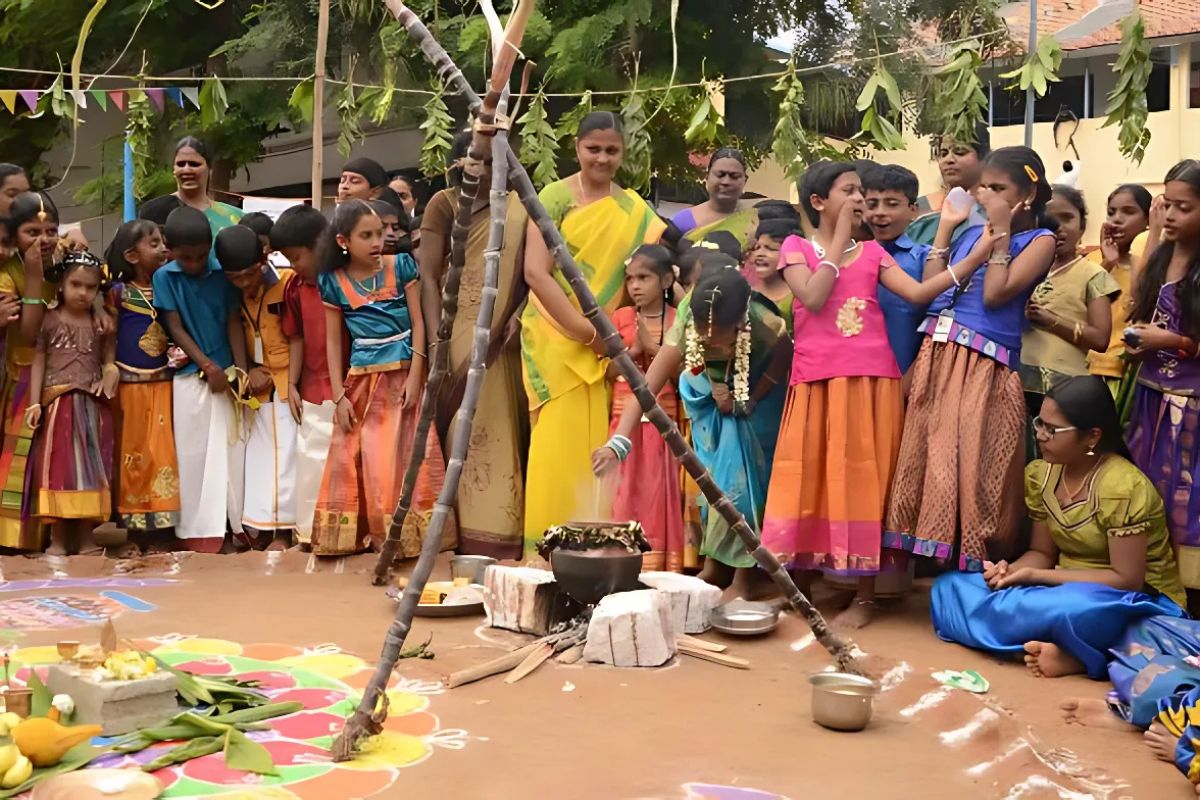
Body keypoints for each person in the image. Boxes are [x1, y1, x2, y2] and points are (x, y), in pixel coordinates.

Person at [762, 160, 993, 627]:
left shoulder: (873, 254)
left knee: (864, 484)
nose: (861, 200)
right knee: (806, 477)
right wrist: (837, 241)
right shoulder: (795, 247)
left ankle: (865, 597)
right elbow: (812, 297)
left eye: (860, 192)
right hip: (814, 382)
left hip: (872, 383)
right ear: (818, 201)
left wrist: (974, 258)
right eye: (850, 191)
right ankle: (798, 589)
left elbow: (919, 293)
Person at [931, 376, 1187, 679]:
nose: (1039, 435)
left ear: (1092, 436)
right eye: (1039, 423)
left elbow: (1128, 580)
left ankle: (1078, 652)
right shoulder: (1042, 475)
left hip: (1133, 601)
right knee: (950, 588)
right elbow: (1041, 551)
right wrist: (1010, 572)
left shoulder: (1124, 487)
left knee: (1074, 609)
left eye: (1051, 429)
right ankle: (1067, 645)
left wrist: (1036, 576)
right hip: (1059, 589)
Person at [885, 146, 1057, 571]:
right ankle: (927, 563)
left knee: (969, 466)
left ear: (1027, 196)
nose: (986, 196)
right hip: (938, 352)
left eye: (999, 189)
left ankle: (973, 566)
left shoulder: (1040, 240)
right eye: (984, 188)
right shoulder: (968, 235)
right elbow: (934, 289)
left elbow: (996, 294)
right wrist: (946, 229)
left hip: (982, 363)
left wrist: (997, 235)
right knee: (925, 458)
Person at [520, 111, 666, 556]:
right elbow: (536, 272)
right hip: (555, 333)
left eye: (612, 150)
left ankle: (592, 545)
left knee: (599, 442)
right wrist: (586, 331)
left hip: (611, 342)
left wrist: (611, 335)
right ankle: (545, 548)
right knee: (557, 443)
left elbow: (644, 274)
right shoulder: (554, 195)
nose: (602, 158)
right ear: (577, 148)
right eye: (593, 149)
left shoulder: (635, 209)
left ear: (623, 152)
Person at [595, 260, 790, 592]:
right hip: (710, 401)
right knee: (714, 481)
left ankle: (745, 577)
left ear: (740, 324)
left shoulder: (764, 321)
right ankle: (716, 568)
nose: (707, 339)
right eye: (702, 334)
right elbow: (647, 387)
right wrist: (618, 443)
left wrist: (751, 399)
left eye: (718, 336)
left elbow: (785, 357)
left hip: (759, 395)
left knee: (746, 484)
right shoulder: (689, 318)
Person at [313, 200, 454, 557]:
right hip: (361, 380)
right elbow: (333, 341)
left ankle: (410, 539)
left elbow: (418, 323)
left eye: (380, 233)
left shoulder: (402, 266)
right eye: (367, 235)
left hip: (404, 375)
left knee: (405, 454)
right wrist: (339, 396)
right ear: (344, 241)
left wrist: (415, 374)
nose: (379, 241)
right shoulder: (331, 281)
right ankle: (372, 535)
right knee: (365, 457)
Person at [418, 132, 529, 559]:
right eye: (473, 160)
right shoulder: (444, 204)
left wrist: (520, 313)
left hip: (504, 333)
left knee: (498, 425)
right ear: (456, 163)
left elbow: (535, 272)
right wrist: (435, 340)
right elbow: (429, 276)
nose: (480, 169)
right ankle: (453, 536)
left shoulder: (523, 206)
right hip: (458, 327)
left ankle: (497, 534)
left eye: (490, 161)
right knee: (458, 428)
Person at [153, 206, 248, 553]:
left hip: (228, 376)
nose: (194, 264)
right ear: (170, 249)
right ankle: (197, 531)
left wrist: (240, 371)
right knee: (192, 456)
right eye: (186, 258)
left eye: (200, 256)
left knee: (231, 453)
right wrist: (208, 366)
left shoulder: (222, 274)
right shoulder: (165, 277)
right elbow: (174, 325)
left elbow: (233, 322)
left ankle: (234, 527)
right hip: (193, 376)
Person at [1126, 160, 1200, 600]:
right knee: (1147, 486)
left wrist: (1171, 340)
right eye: (1166, 205)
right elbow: (1140, 308)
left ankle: (1189, 594)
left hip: (1191, 404)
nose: (1170, 215)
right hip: (1150, 397)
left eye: (1183, 208)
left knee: (1188, 496)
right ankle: (1150, 581)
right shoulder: (1164, 256)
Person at [23, 251, 117, 555]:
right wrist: (34, 403)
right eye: (76, 284)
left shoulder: (101, 322)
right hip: (57, 406)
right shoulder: (48, 320)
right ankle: (59, 539)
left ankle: (87, 537)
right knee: (60, 470)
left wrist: (110, 373)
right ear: (61, 284)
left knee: (91, 469)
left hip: (92, 406)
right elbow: (38, 359)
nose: (83, 293)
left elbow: (108, 358)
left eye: (90, 287)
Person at [604, 244, 686, 571]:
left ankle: (654, 564)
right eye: (630, 279)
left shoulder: (677, 320)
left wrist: (654, 350)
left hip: (661, 423)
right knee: (623, 490)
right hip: (623, 422)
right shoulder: (621, 318)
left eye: (644, 277)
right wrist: (635, 349)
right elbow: (608, 373)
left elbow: (683, 378)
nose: (635, 285)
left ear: (666, 280)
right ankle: (621, 560)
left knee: (656, 490)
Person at [219, 225, 296, 549]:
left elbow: (299, 335)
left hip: (288, 380)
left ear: (264, 259)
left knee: (287, 455)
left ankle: (283, 531)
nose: (244, 283)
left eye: (249, 275)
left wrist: (291, 378)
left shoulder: (288, 282)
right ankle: (261, 527)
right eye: (235, 277)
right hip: (258, 384)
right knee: (261, 457)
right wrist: (247, 369)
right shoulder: (230, 291)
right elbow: (235, 325)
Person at [105, 219, 179, 553]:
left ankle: (162, 528)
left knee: (161, 453)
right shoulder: (118, 293)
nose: (163, 248)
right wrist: (108, 366)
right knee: (131, 454)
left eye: (163, 242)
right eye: (154, 244)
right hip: (129, 383)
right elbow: (108, 334)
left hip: (164, 380)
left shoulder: (168, 286)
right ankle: (134, 531)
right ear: (132, 255)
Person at [1020, 186, 1119, 411]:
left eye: (1067, 218)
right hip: (1016, 381)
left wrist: (1051, 320)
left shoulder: (1093, 274)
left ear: (1082, 227)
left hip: (1064, 390)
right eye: (1049, 218)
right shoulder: (1023, 267)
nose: (1058, 227)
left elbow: (1101, 339)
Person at [0, 192, 57, 549]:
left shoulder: (65, 259)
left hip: (62, 377)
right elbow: (28, 333)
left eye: (50, 230)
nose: (44, 240)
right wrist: (34, 278)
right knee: (20, 456)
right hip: (22, 377)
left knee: (53, 458)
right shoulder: (9, 275)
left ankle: (49, 532)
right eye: (32, 232)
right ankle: (12, 538)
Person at [275, 205, 333, 548]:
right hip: (312, 386)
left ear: (320, 244)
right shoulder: (295, 288)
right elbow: (295, 336)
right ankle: (310, 533)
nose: (293, 266)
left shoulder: (342, 282)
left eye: (296, 257)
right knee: (311, 461)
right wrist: (292, 384)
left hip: (348, 387)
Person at [1086, 184, 1152, 420]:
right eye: (1112, 212)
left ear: (1148, 220)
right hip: (1090, 372)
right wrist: (1107, 264)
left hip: (1130, 375)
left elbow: (1139, 308)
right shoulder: (1091, 262)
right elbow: (1079, 311)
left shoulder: (1149, 267)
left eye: (1128, 211)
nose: (1117, 219)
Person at [863, 164, 932, 374]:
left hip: (904, 378)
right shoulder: (849, 256)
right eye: (871, 204)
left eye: (892, 204)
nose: (880, 213)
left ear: (913, 210)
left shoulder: (926, 259)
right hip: (853, 378)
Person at [139, 137, 243, 238]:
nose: (187, 170)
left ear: (210, 169)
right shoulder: (155, 211)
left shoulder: (236, 218)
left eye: (194, 164)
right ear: (174, 169)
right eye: (181, 164)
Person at [906, 126, 990, 246]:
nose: (948, 159)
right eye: (943, 153)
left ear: (983, 157)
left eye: (960, 152)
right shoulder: (920, 209)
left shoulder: (995, 209)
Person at [669, 148, 757, 250]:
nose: (726, 182)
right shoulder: (683, 221)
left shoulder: (755, 221)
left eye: (734, 176)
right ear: (707, 178)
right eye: (720, 175)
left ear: (745, 181)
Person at [743, 220, 796, 331]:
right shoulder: (746, 294)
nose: (760, 254)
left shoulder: (798, 296)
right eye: (756, 248)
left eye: (771, 248)